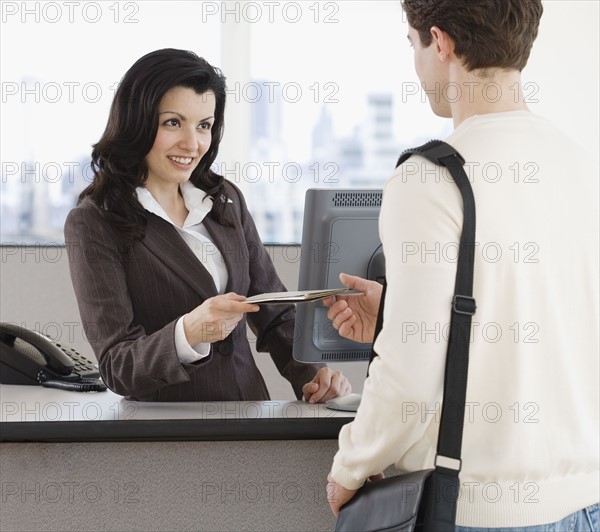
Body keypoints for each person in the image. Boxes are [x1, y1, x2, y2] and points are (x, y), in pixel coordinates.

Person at [325, 1, 599, 530]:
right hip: (585, 504)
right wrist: (396, 314)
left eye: (413, 45)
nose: (416, 63)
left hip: (479, 512)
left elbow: (408, 379)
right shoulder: (582, 166)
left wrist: (350, 466)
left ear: (441, 42)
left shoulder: (430, 178)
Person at [64, 48, 351, 403]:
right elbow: (117, 365)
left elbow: (275, 313)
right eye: (173, 122)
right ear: (137, 121)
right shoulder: (94, 222)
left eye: (204, 125)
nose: (193, 143)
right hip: (170, 434)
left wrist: (314, 375)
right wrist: (189, 332)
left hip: (250, 418)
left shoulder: (224, 200)